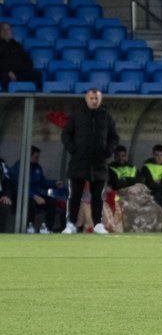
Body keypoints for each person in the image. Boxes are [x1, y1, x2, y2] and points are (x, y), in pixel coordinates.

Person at [60, 89, 119, 235]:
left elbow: (114, 137)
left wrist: (108, 151)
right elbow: (66, 134)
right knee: (75, 195)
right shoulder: (77, 115)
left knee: (98, 195)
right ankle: (71, 224)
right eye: (92, 98)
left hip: (98, 162)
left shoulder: (106, 117)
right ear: (86, 99)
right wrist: (73, 149)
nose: (94, 101)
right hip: (79, 161)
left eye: (97, 98)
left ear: (101, 99)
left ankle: (98, 223)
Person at [107, 146, 162, 233]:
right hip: (120, 195)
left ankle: (155, 232)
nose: (121, 158)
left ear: (126, 156)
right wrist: (129, 182)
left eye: (123, 156)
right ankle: (132, 231)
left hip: (137, 195)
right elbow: (116, 184)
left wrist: (127, 182)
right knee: (127, 208)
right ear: (114, 156)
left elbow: (141, 181)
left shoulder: (133, 168)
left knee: (156, 208)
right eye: (118, 156)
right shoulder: (109, 168)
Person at [11, 146, 61, 234]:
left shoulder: (37, 167)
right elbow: (19, 186)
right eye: (36, 157)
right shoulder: (19, 167)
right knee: (30, 203)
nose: (38, 159)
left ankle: (47, 228)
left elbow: (42, 182)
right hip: (23, 196)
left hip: (36, 195)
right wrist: (34, 196)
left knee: (51, 201)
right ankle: (28, 227)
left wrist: (54, 183)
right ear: (29, 156)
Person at [0, 22, 41, 90]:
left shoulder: (17, 46)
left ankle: (39, 99)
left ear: (11, 31)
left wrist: (18, 71)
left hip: (19, 73)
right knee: (4, 77)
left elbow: (29, 63)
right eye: (3, 30)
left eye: (8, 29)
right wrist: (8, 71)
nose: (6, 32)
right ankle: (5, 100)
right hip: (5, 73)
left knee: (38, 74)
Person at [0, 156, 13, 233]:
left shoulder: (1, 164)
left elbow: (8, 181)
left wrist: (6, 195)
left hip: (1, 196)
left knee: (5, 205)